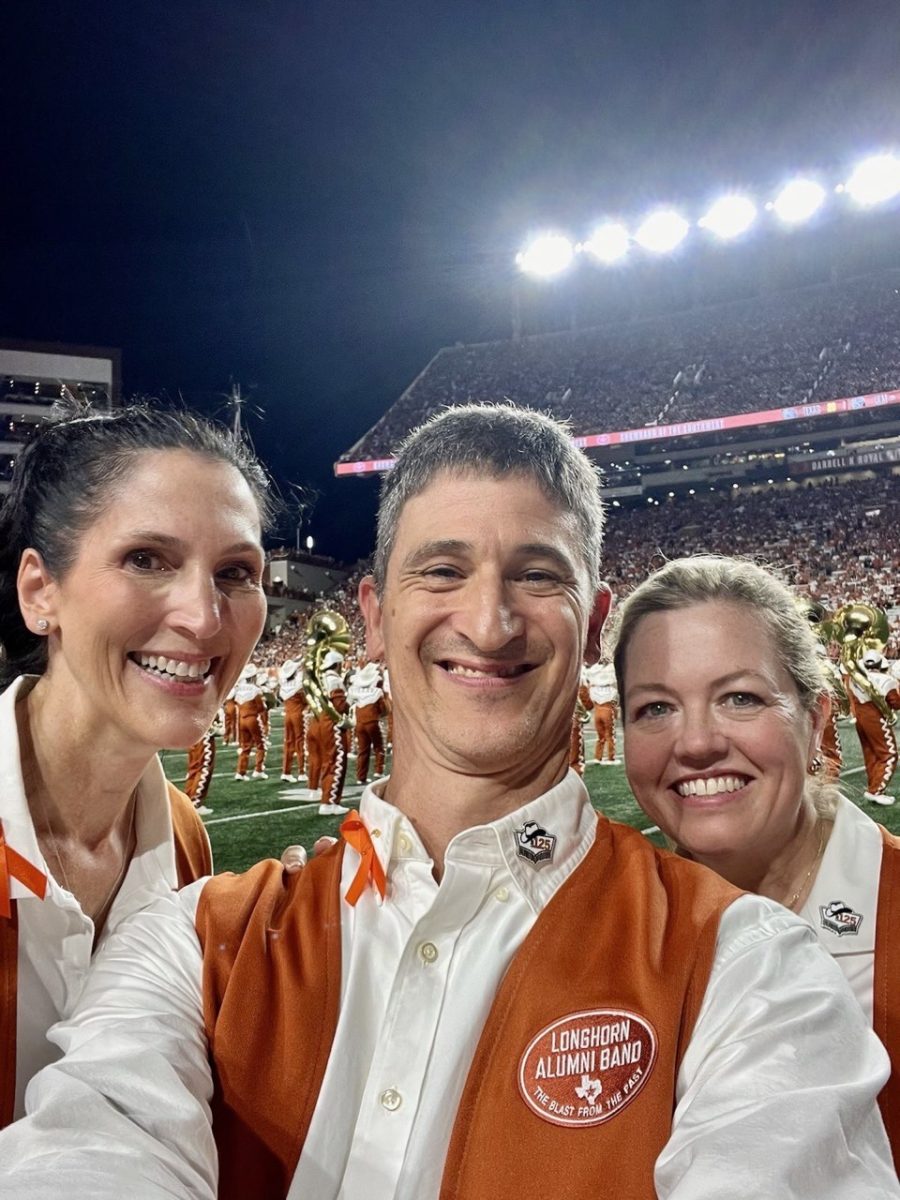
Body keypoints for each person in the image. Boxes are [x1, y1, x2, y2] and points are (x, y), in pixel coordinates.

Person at [0, 406, 897, 1199]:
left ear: (593, 625)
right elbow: (91, 1148)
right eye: (441, 570)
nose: (489, 622)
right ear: (375, 613)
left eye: (538, 575)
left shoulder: (750, 963)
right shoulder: (191, 940)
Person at [0, 401, 270, 1127]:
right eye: (147, 559)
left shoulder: (183, 839)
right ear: (39, 592)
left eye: (236, 571)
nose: (204, 616)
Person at [607, 554, 900, 1164]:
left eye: (739, 698)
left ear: (817, 718)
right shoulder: (596, 926)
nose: (696, 743)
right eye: (656, 708)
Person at [845, 648, 900, 805]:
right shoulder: (885, 680)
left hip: (860, 717)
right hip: (875, 717)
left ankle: (873, 786)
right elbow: (896, 703)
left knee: (871, 753)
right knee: (888, 754)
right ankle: (876, 790)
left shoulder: (855, 678)